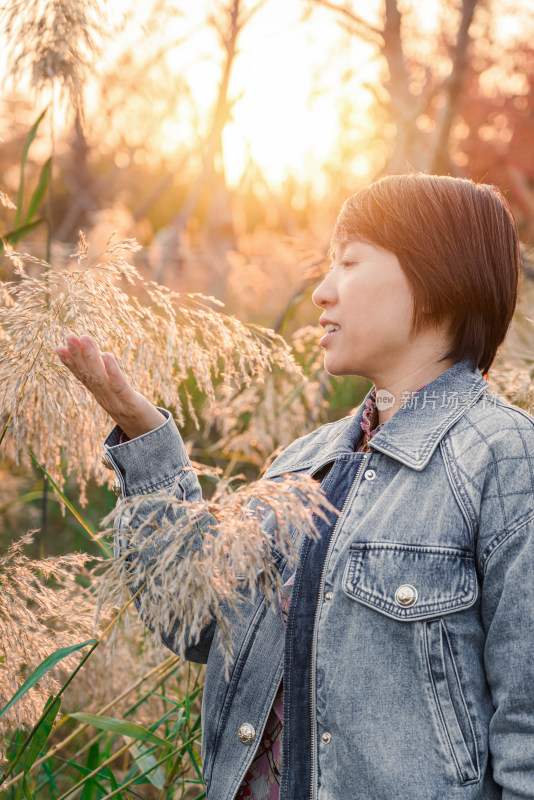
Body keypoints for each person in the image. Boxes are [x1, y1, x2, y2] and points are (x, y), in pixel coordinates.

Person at [55, 173, 534, 800]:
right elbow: (197, 618)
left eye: (350, 263)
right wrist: (145, 440)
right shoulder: (303, 464)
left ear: (435, 277)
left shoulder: (505, 460)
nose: (321, 292)